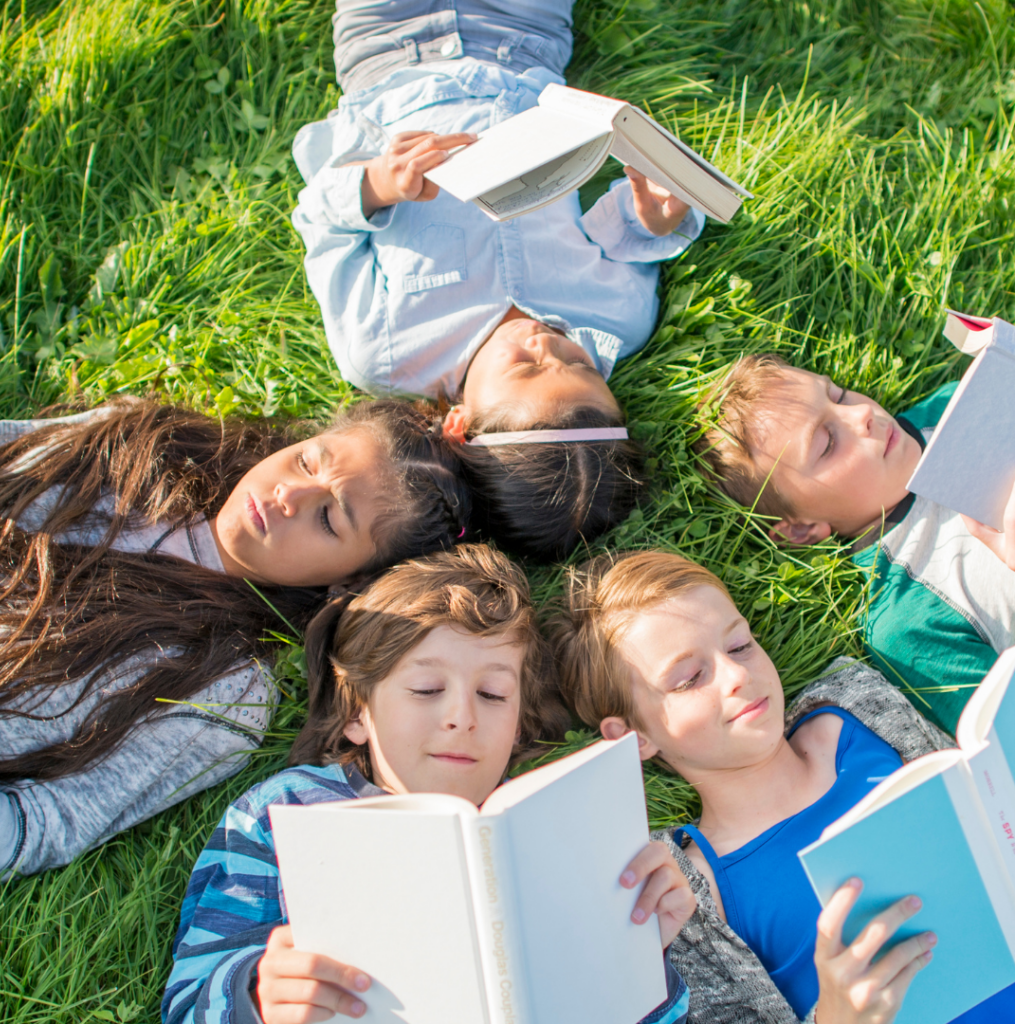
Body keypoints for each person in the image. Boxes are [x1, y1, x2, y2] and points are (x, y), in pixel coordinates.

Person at [163, 544, 697, 1024]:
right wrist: (257, 999)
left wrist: (642, 958)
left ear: (517, 727)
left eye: (492, 695)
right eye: (425, 688)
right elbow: (189, 1001)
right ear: (356, 713)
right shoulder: (285, 810)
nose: (462, 717)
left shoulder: (549, 825)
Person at [290, 0, 708, 556]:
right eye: (580, 363)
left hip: (390, 56)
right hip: (523, 44)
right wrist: (656, 217)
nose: (547, 344)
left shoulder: (384, 352)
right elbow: (631, 231)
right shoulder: (616, 320)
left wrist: (373, 186)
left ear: (459, 424)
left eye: (528, 368)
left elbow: (321, 225)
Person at [0, 396, 470, 880]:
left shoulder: (225, 693)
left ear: (347, 583)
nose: (290, 494)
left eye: (327, 518)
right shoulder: (150, 440)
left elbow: (42, 823)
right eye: (307, 460)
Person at [551, 548, 1015, 1024]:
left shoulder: (858, 706)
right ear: (634, 737)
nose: (737, 676)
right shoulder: (688, 896)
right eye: (690, 679)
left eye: (739, 646)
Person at [692, 353, 1015, 734]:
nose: (861, 414)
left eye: (838, 394)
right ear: (801, 529)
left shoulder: (955, 409)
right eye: (827, 443)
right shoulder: (905, 622)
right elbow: (1004, 740)